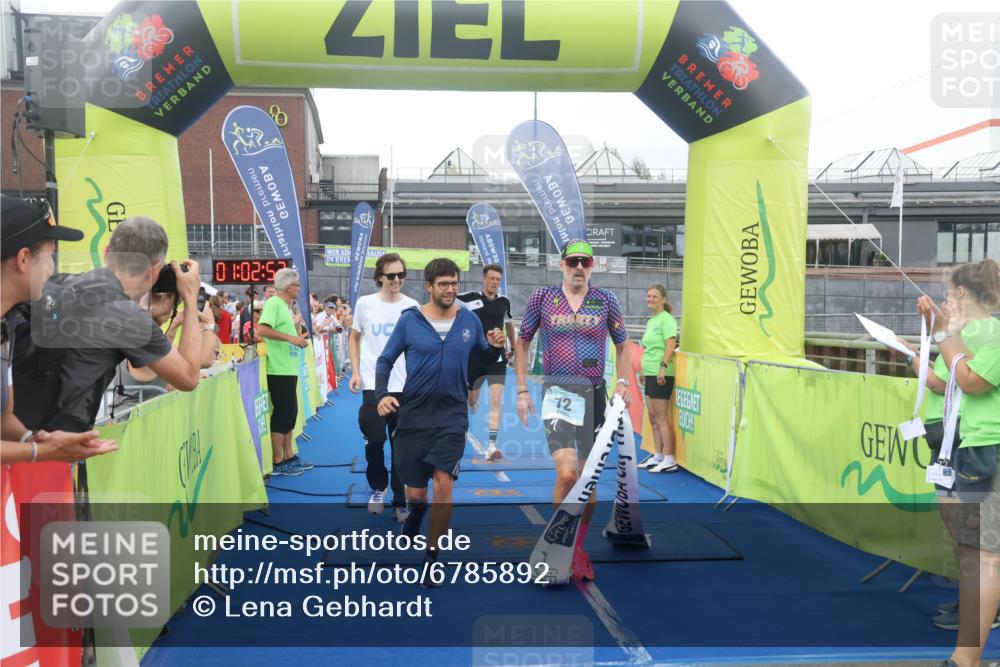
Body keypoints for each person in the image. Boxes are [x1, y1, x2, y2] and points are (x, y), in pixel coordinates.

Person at [375, 258, 506, 586]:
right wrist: (380, 395)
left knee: (444, 484)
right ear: (430, 287)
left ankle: (432, 557)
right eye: (444, 284)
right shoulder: (411, 321)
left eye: (454, 283)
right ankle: (416, 514)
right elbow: (385, 359)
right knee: (416, 494)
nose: (450, 289)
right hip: (414, 415)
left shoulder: (469, 321)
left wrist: (493, 349)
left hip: (452, 415)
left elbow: (481, 356)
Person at [13, 216, 205, 435]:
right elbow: (188, 378)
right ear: (155, 270)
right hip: (59, 447)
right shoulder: (128, 317)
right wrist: (190, 297)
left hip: (18, 435)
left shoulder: (63, 283)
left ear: (105, 252)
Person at [513, 239, 631, 582]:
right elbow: (522, 343)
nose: (579, 267)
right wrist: (522, 389)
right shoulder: (543, 298)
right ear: (561, 264)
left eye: (585, 262)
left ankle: (577, 548)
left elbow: (623, 344)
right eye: (573, 261)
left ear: (592, 266)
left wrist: (623, 380)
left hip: (595, 394)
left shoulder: (606, 300)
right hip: (558, 392)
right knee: (566, 475)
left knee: (588, 481)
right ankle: (555, 545)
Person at [916, 259, 1000, 667]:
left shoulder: (993, 334)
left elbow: (969, 381)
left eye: (952, 292)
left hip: (989, 449)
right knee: (980, 554)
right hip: (978, 446)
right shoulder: (984, 334)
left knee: (982, 556)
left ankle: (965, 659)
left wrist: (942, 334)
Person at [0, 196, 116, 463]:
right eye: (49, 256)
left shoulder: (7, 327)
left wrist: (33, 438)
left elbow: (4, 418)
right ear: (24, 259)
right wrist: (40, 451)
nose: (52, 269)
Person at [350, 253, 419, 520]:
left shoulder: (412, 306)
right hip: (373, 386)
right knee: (375, 442)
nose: (397, 280)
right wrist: (356, 372)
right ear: (380, 276)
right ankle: (377, 488)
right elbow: (354, 338)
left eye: (401, 275)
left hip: (405, 386)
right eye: (391, 276)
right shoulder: (365, 304)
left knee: (401, 445)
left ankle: (400, 499)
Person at [255, 268, 312, 476]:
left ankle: (289, 455)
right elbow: (261, 329)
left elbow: (288, 333)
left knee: (290, 413)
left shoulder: (285, 306)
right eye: (297, 285)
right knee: (282, 414)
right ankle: (278, 460)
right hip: (277, 368)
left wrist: (296, 336)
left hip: (288, 366)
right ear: (289, 287)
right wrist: (291, 339)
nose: (299, 288)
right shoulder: (273, 303)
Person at [458, 264, 516, 461]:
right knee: (472, 400)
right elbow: (446, 302)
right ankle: (471, 404)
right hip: (475, 358)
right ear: (484, 279)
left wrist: (514, 348)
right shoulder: (468, 299)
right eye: (491, 278)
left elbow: (509, 325)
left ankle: (492, 445)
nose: (494, 283)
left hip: (497, 358)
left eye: (497, 280)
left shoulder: (504, 302)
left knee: (496, 398)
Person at [638, 284, 679, 473]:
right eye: (648, 296)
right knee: (652, 417)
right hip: (650, 373)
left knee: (662, 418)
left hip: (662, 373)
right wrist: (643, 371)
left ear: (663, 299)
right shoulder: (651, 321)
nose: (650, 299)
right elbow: (647, 348)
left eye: (654, 296)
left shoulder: (667, 319)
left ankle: (670, 459)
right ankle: (658, 455)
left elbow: (670, 345)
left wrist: (662, 368)